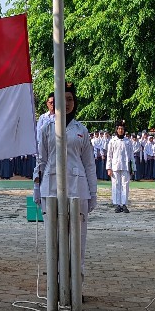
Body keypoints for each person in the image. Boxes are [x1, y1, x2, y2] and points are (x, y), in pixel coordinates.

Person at [32, 82, 98, 270]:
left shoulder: (81, 130)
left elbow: (89, 165)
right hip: (51, 188)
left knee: (77, 241)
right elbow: (41, 161)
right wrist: (36, 187)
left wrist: (93, 194)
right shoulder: (47, 129)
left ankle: (77, 285)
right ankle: (56, 284)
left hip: (78, 188)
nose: (67, 103)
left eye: (70, 99)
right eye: (64, 99)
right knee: (54, 240)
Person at [106, 120, 135, 213]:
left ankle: (124, 203)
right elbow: (109, 155)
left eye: (122, 129)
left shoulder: (128, 141)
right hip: (115, 166)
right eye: (119, 129)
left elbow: (131, 155)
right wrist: (109, 168)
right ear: (116, 130)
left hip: (125, 166)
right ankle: (117, 204)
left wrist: (133, 167)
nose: (121, 130)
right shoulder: (112, 141)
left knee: (125, 185)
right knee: (116, 185)